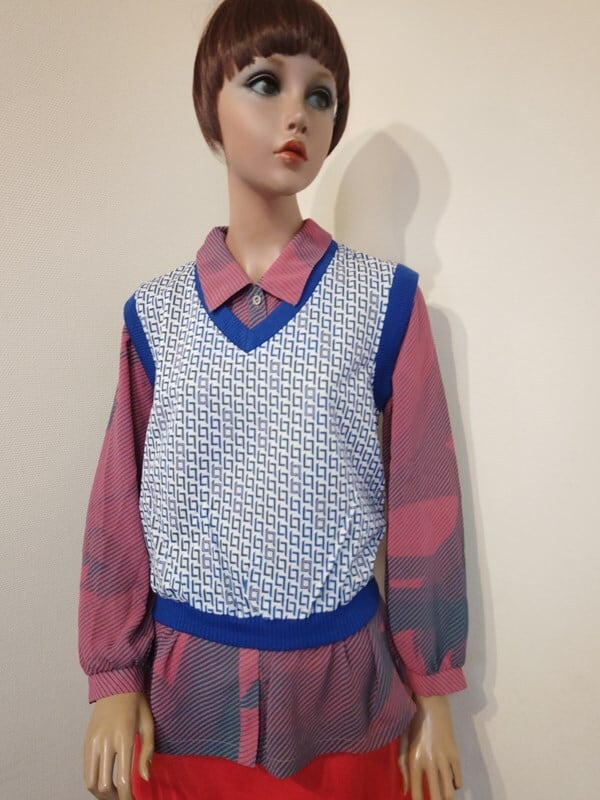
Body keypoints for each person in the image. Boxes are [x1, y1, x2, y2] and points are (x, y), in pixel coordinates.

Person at [78, 1, 468, 798]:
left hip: (345, 709)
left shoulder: (386, 305)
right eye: (265, 83)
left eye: (320, 95)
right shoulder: (155, 317)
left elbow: (424, 505)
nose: (298, 114)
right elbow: (117, 504)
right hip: (186, 709)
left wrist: (433, 690)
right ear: (209, 107)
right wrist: (113, 679)